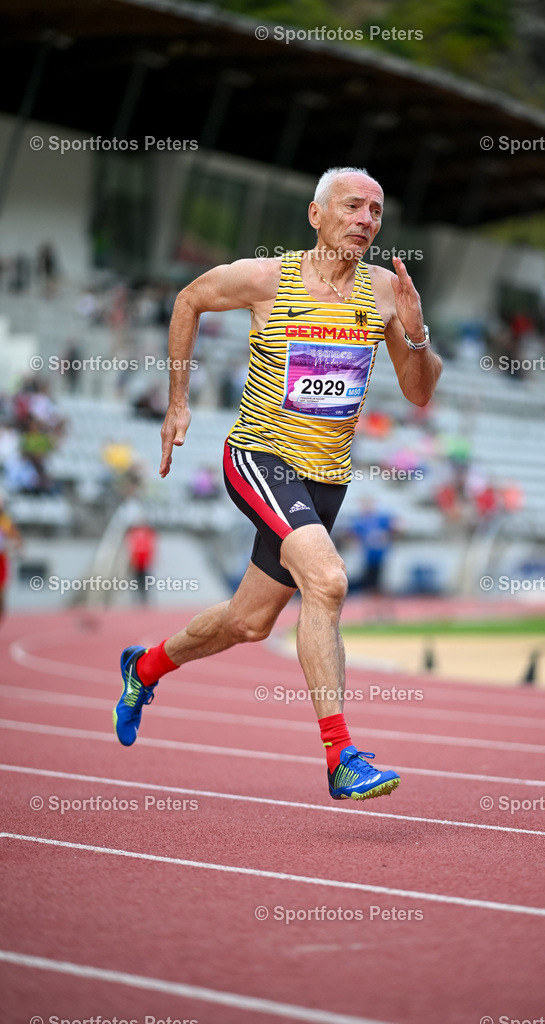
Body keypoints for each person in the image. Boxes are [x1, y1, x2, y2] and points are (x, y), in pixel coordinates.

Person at [113, 166, 442, 802]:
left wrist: (418, 332)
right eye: (352, 207)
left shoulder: (382, 293)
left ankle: (143, 668)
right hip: (261, 458)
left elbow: (419, 392)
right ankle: (341, 755)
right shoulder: (267, 278)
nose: (365, 221)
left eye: (375, 212)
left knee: (247, 622)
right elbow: (189, 300)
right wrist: (177, 401)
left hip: (327, 480)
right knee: (330, 580)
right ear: (316, 214)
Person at [0, 493, 23, 624]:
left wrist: (18, 548)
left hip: (1, 559)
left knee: (2, 592)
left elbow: (16, 537)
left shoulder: (6, 520)